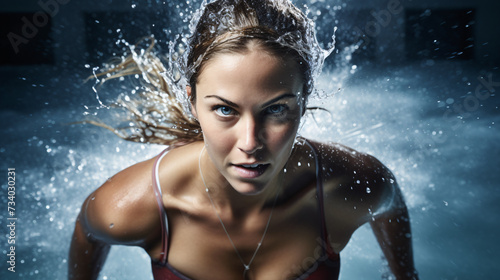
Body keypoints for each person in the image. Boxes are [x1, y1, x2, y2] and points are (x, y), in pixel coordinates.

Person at [68, 0, 419, 279]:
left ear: (304, 99)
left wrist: (404, 274)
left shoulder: (346, 187)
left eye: (276, 110)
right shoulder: (136, 206)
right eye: (224, 110)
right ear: (192, 101)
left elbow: (391, 203)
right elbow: (88, 229)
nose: (250, 142)